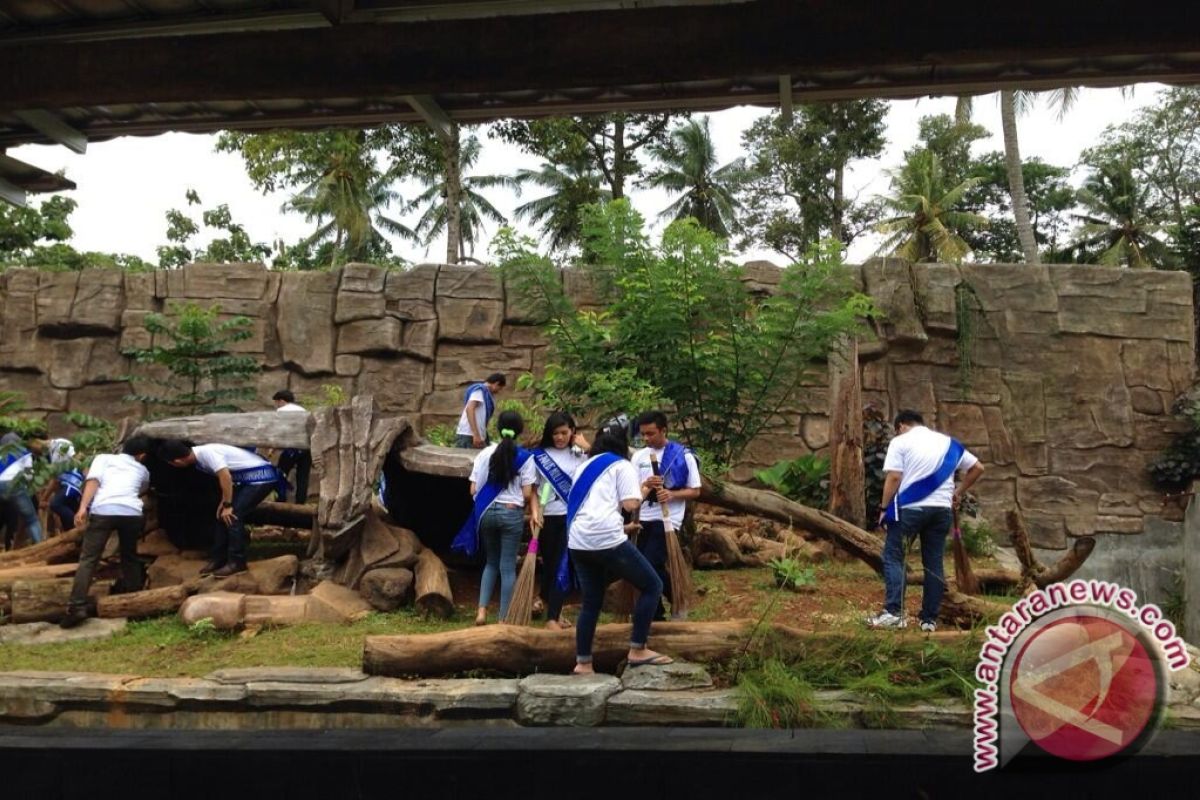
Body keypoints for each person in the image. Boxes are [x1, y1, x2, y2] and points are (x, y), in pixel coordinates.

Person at [868, 409, 985, 632]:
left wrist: (883, 508)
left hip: (911, 510)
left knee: (894, 556)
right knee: (933, 562)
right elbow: (977, 468)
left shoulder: (901, 441)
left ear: (901, 425)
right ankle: (929, 619)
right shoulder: (948, 443)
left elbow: (894, 477)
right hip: (941, 511)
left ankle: (893, 613)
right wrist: (957, 492)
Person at [567, 424, 671, 674]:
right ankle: (637, 649)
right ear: (622, 443)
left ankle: (583, 663)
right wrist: (645, 487)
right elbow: (630, 503)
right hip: (605, 539)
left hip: (577, 539)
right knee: (652, 585)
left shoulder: (583, 466)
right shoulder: (621, 465)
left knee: (591, 601)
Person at [452, 410, 540, 625]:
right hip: (511, 514)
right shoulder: (525, 458)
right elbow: (528, 494)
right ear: (520, 431)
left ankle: (481, 612)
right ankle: (503, 618)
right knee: (507, 567)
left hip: (486, 514)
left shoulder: (484, 454)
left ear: (498, 429)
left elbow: (474, 489)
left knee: (491, 562)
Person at [59, 435, 154, 629]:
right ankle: (135, 603)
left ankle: (76, 606)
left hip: (104, 510)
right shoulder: (143, 470)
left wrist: (82, 508)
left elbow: (92, 482)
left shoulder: (103, 458)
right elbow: (140, 489)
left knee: (89, 559)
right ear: (142, 455)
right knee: (129, 557)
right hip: (131, 513)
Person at [160, 439, 279, 577]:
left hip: (260, 477)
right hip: (246, 480)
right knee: (221, 515)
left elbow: (225, 476)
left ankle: (237, 562)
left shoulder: (207, 454)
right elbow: (225, 480)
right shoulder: (199, 458)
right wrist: (224, 503)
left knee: (233, 516)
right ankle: (219, 558)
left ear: (177, 461)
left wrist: (228, 505)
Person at [631, 411, 701, 621]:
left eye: (651, 433)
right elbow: (632, 490)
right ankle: (655, 612)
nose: (646, 439)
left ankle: (677, 599)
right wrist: (645, 485)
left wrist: (671, 494)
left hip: (667, 519)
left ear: (663, 430)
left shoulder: (682, 455)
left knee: (652, 562)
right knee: (640, 565)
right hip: (641, 518)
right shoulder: (639, 457)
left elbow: (695, 490)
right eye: (643, 434)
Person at [530, 411, 589, 630]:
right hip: (547, 517)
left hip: (570, 517)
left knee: (563, 564)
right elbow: (535, 489)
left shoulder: (580, 455)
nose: (560, 437)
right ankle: (549, 607)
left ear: (573, 432)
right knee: (550, 564)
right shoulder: (540, 456)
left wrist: (587, 446)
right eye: (555, 433)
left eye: (564, 433)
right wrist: (535, 512)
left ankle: (553, 616)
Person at [0, 431, 44, 547]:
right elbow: (29, 475)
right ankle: (40, 546)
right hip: (14, 485)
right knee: (31, 519)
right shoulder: (24, 453)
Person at [272, 390, 311, 503]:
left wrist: (273, 446)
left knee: (280, 472)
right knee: (302, 477)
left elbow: (279, 431)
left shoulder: (282, 411)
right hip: (306, 448)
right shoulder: (303, 410)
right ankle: (300, 503)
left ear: (281, 401)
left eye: (276, 403)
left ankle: (280, 499)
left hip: (293, 447)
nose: (276, 405)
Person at [454, 373, 506, 449]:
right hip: (469, 435)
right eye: (500, 388)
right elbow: (470, 409)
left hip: (475, 435)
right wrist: (476, 434)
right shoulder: (479, 391)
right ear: (496, 383)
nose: (499, 391)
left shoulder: (486, 394)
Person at [43, 438, 84, 533]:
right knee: (67, 512)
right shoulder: (55, 449)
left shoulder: (59, 446)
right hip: (71, 484)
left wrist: (44, 498)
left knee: (56, 504)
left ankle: (78, 527)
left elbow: (55, 481)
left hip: (72, 483)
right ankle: (73, 537)